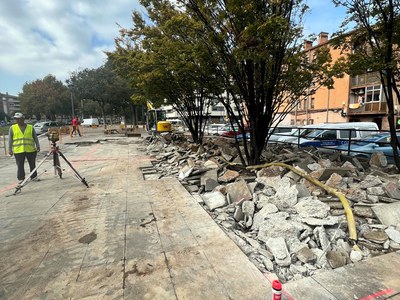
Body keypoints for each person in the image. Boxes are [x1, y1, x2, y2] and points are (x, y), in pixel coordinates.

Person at [8, 112, 41, 183]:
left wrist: (37, 146)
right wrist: (10, 149)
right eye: (16, 119)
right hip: (18, 150)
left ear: (23, 119)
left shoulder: (30, 127)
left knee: (32, 164)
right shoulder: (12, 128)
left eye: (19, 119)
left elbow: (35, 137)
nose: (17, 120)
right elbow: (10, 139)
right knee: (20, 166)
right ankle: (21, 178)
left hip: (30, 149)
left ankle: (34, 177)